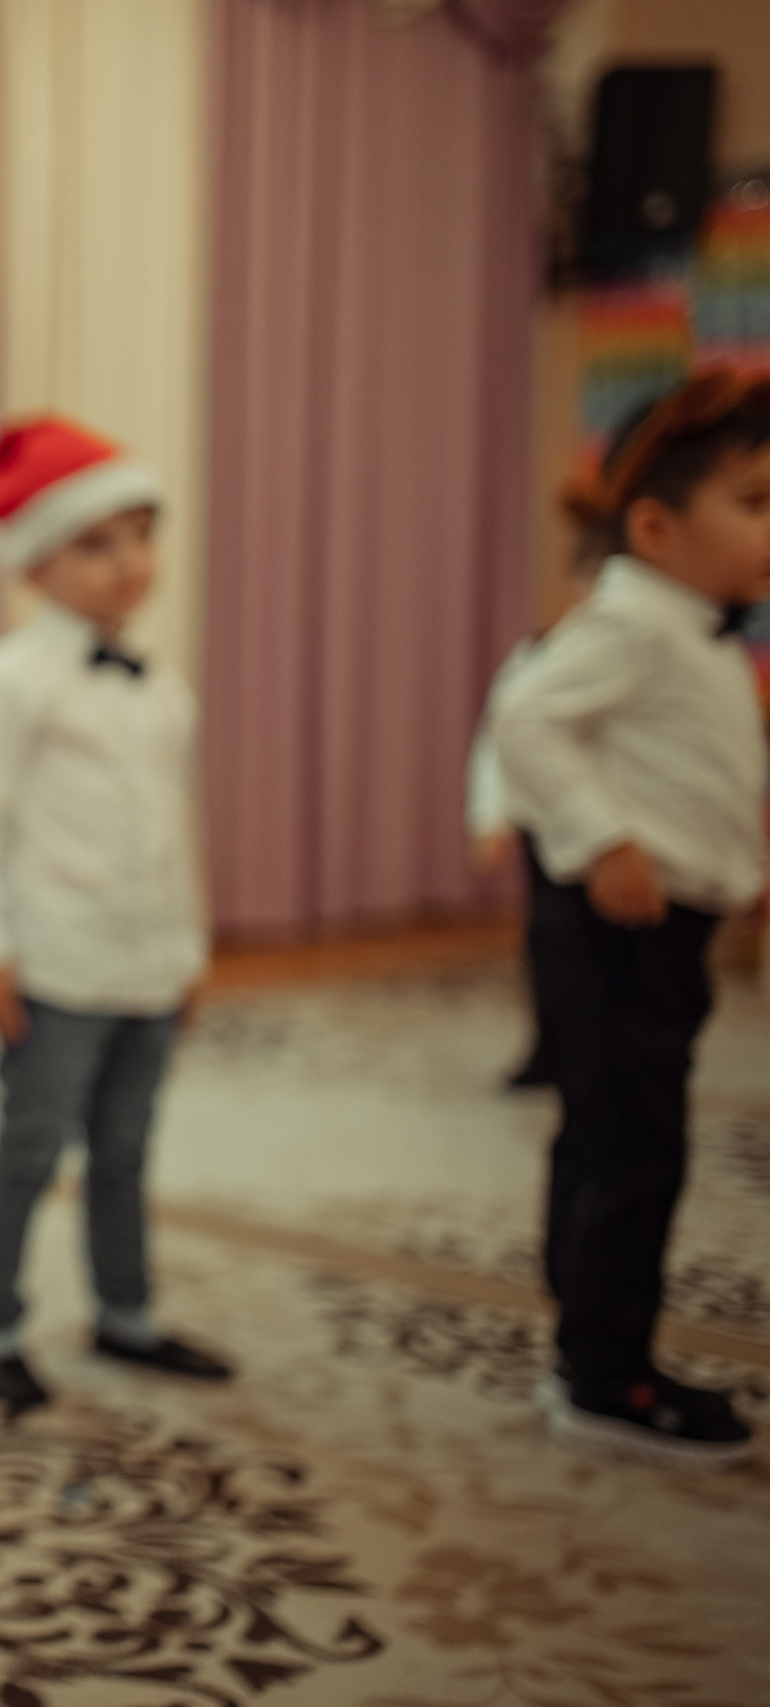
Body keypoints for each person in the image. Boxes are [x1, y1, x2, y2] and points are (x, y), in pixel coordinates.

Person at [493, 368, 770, 1469]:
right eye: (751, 503)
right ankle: (609, 1374)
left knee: (613, 1130)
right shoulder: (634, 624)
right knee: (633, 1145)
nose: (768, 529)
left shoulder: (688, 627)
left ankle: (588, 1345)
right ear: (653, 525)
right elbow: (523, 720)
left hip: (666, 920)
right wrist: (601, 839)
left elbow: (690, 769)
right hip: (618, 923)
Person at [0, 415, 230, 1415]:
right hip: (53, 963)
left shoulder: (160, 690)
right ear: (32, 561)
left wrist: (186, 949)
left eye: (140, 537)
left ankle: (126, 1311)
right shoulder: (11, 681)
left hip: (144, 963)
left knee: (128, 1145)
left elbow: (171, 832)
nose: (127, 563)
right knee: (29, 1145)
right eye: (94, 543)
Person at [468, 554, 600, 1093]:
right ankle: (552, 1048)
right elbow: (499, 738)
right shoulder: (540, 653)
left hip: (619, 835)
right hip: (547, 826)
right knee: (553, 943)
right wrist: (488, 815)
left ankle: (596, 1053)